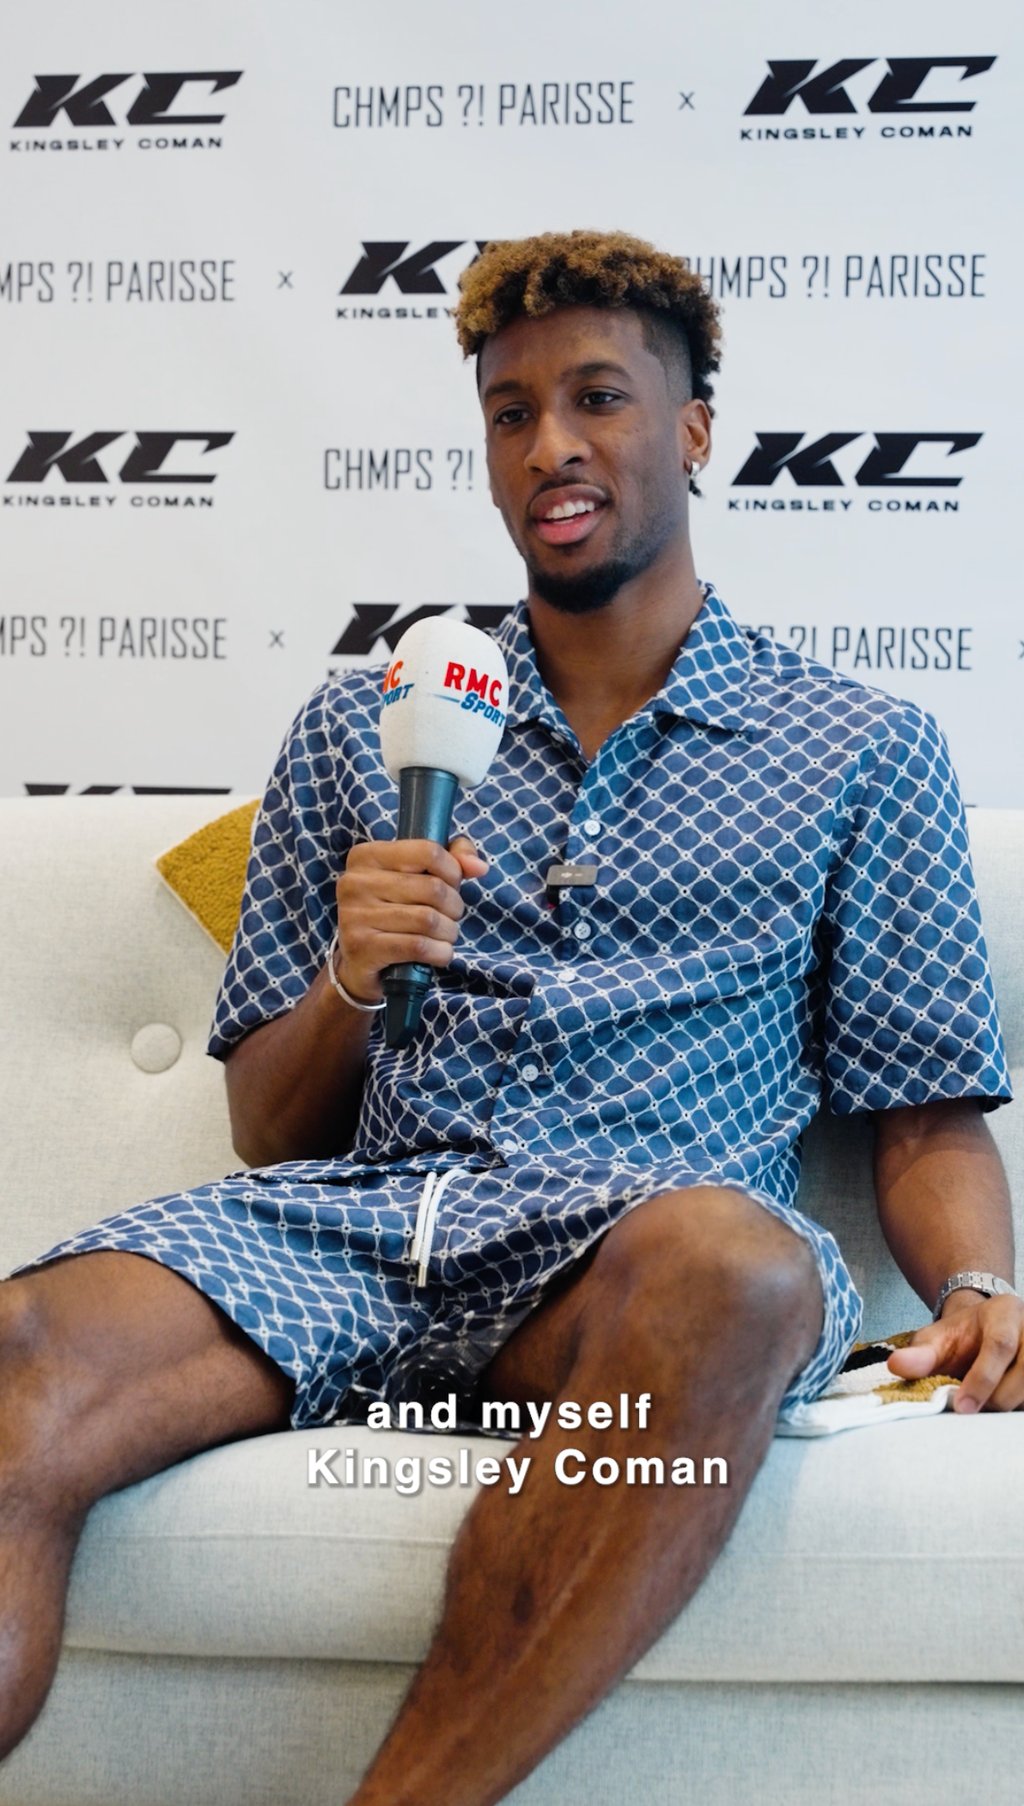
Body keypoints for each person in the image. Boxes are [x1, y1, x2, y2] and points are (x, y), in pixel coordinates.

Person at [0, 229, 1018, 1804]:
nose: (551, 446)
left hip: (633, 1259)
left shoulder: (859, 748)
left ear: (693, 427)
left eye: (599, 398)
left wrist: (978, 1279)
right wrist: (353, 975)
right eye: (511, 410)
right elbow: (270, 1132)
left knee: (736, 1268)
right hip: (365, 1234)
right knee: (23, 1349)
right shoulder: (364, 723)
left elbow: (926, 1107)